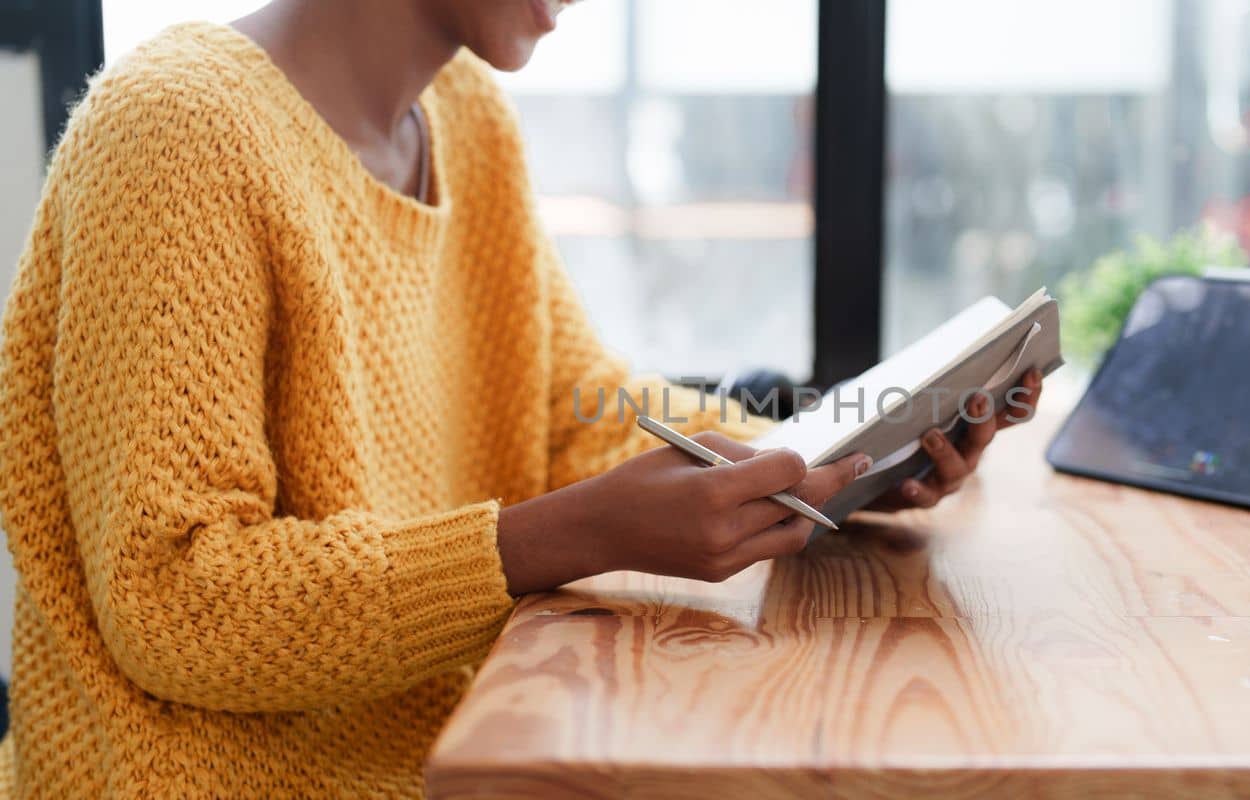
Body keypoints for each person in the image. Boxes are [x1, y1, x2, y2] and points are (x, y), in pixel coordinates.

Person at [0, 0, 1044, 795]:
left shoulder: (465, 118)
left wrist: (834, 463)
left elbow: (565, 405)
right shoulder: (176, 134)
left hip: (452, 750)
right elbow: (178, 600)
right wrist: (554, 537)